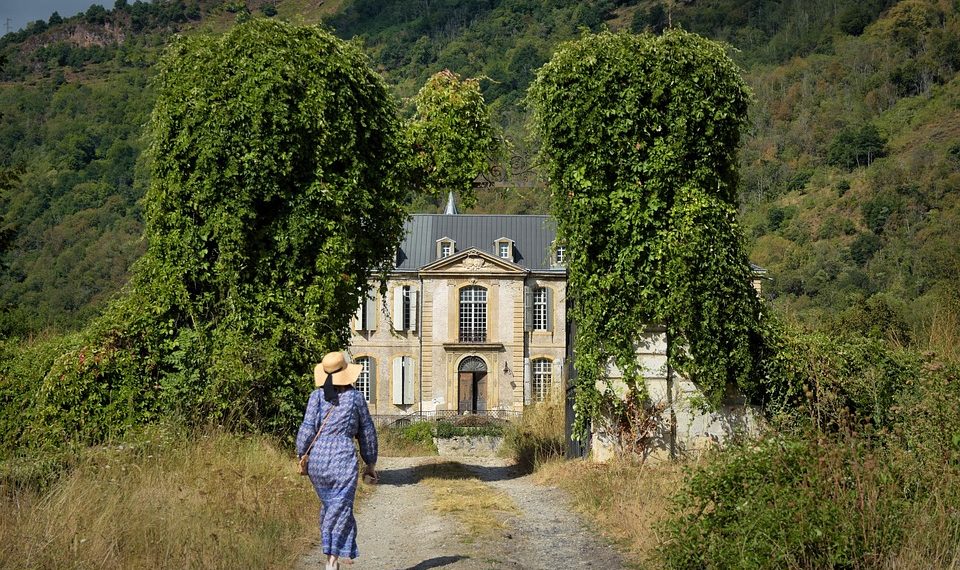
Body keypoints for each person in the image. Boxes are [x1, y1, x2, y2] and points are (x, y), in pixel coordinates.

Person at [296, 351, 378, 570]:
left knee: (331, 507)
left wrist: (301, 454)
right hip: (343, 459)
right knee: (340, 509)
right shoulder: (355, 398)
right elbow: (367, 432)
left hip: (318, 463)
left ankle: (333, 556)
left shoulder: (315, 397)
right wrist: (370, 463)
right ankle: (331, 561)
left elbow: (306, 430)